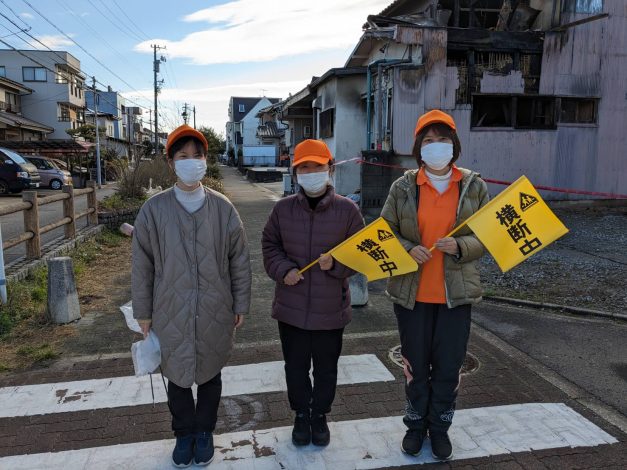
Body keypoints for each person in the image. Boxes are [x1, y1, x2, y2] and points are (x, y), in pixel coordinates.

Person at [132, 124, 251, 467]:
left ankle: (204, 432)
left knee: (211, 374)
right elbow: (141, 265)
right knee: (177, 378)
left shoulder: (224, 209)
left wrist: (240, 302)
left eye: (196, 156)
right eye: (182, 156)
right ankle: (184, 434)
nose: (190, 162)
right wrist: (143, 311)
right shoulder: (153, 211)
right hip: (169, 309)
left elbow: (239, 260)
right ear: (171, 163)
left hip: (216, 307)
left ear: (205, 160)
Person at [381, 110, 489, 461]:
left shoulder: (473, 185)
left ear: (454, 146)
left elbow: (488, 237)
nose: (436, 147)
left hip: (455, 297)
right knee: (415, 366)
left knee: (448, 367)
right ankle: (415, 427)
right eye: (428, 141)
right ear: (418, 148)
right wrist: (407, 248)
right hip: (411, 295)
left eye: (443, 140)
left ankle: (439, 428)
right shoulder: (403, 187)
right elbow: (384, 233)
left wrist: (461, 246)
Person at [262, 139, 364, 447]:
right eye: (304, 167)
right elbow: (269, 246)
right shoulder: (282, 210)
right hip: (290, 309)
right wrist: (283, 270)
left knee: (325, 369)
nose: (311, 173)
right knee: (294, 367)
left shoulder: (348, 211)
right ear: (296, 173)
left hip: (330, 310)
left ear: (330, 168)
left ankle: (319, 416)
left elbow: (360, 254)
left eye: (317, 167)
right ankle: (300, 416)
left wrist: (336, 264)